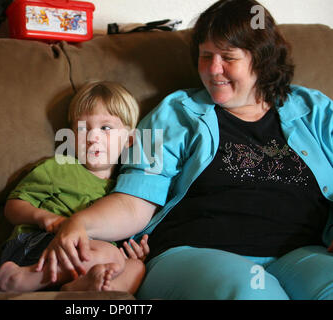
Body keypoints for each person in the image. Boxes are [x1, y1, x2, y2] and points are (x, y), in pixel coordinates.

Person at [35, 0, 333, 300]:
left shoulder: (314, 111)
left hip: (300, 254)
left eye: (228, 57)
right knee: (252, 293)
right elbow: (134, 201)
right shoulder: (174, 113)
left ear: (263, 59)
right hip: (195, 254)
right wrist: (81, 223)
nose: (214, 70)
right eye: (206, 56)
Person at [0, 80, 149, 293]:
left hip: (92, 256)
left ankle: (81, 290)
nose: (93, 137)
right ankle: (17, 279)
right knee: (109, 255)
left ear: (129, 139)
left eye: (106, 127)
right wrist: (44, 218)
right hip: (35, 245)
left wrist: (135, 251)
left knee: (135, 268)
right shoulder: (59, 168)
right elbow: (13, 206)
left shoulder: (125, 189)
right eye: (83, 128)